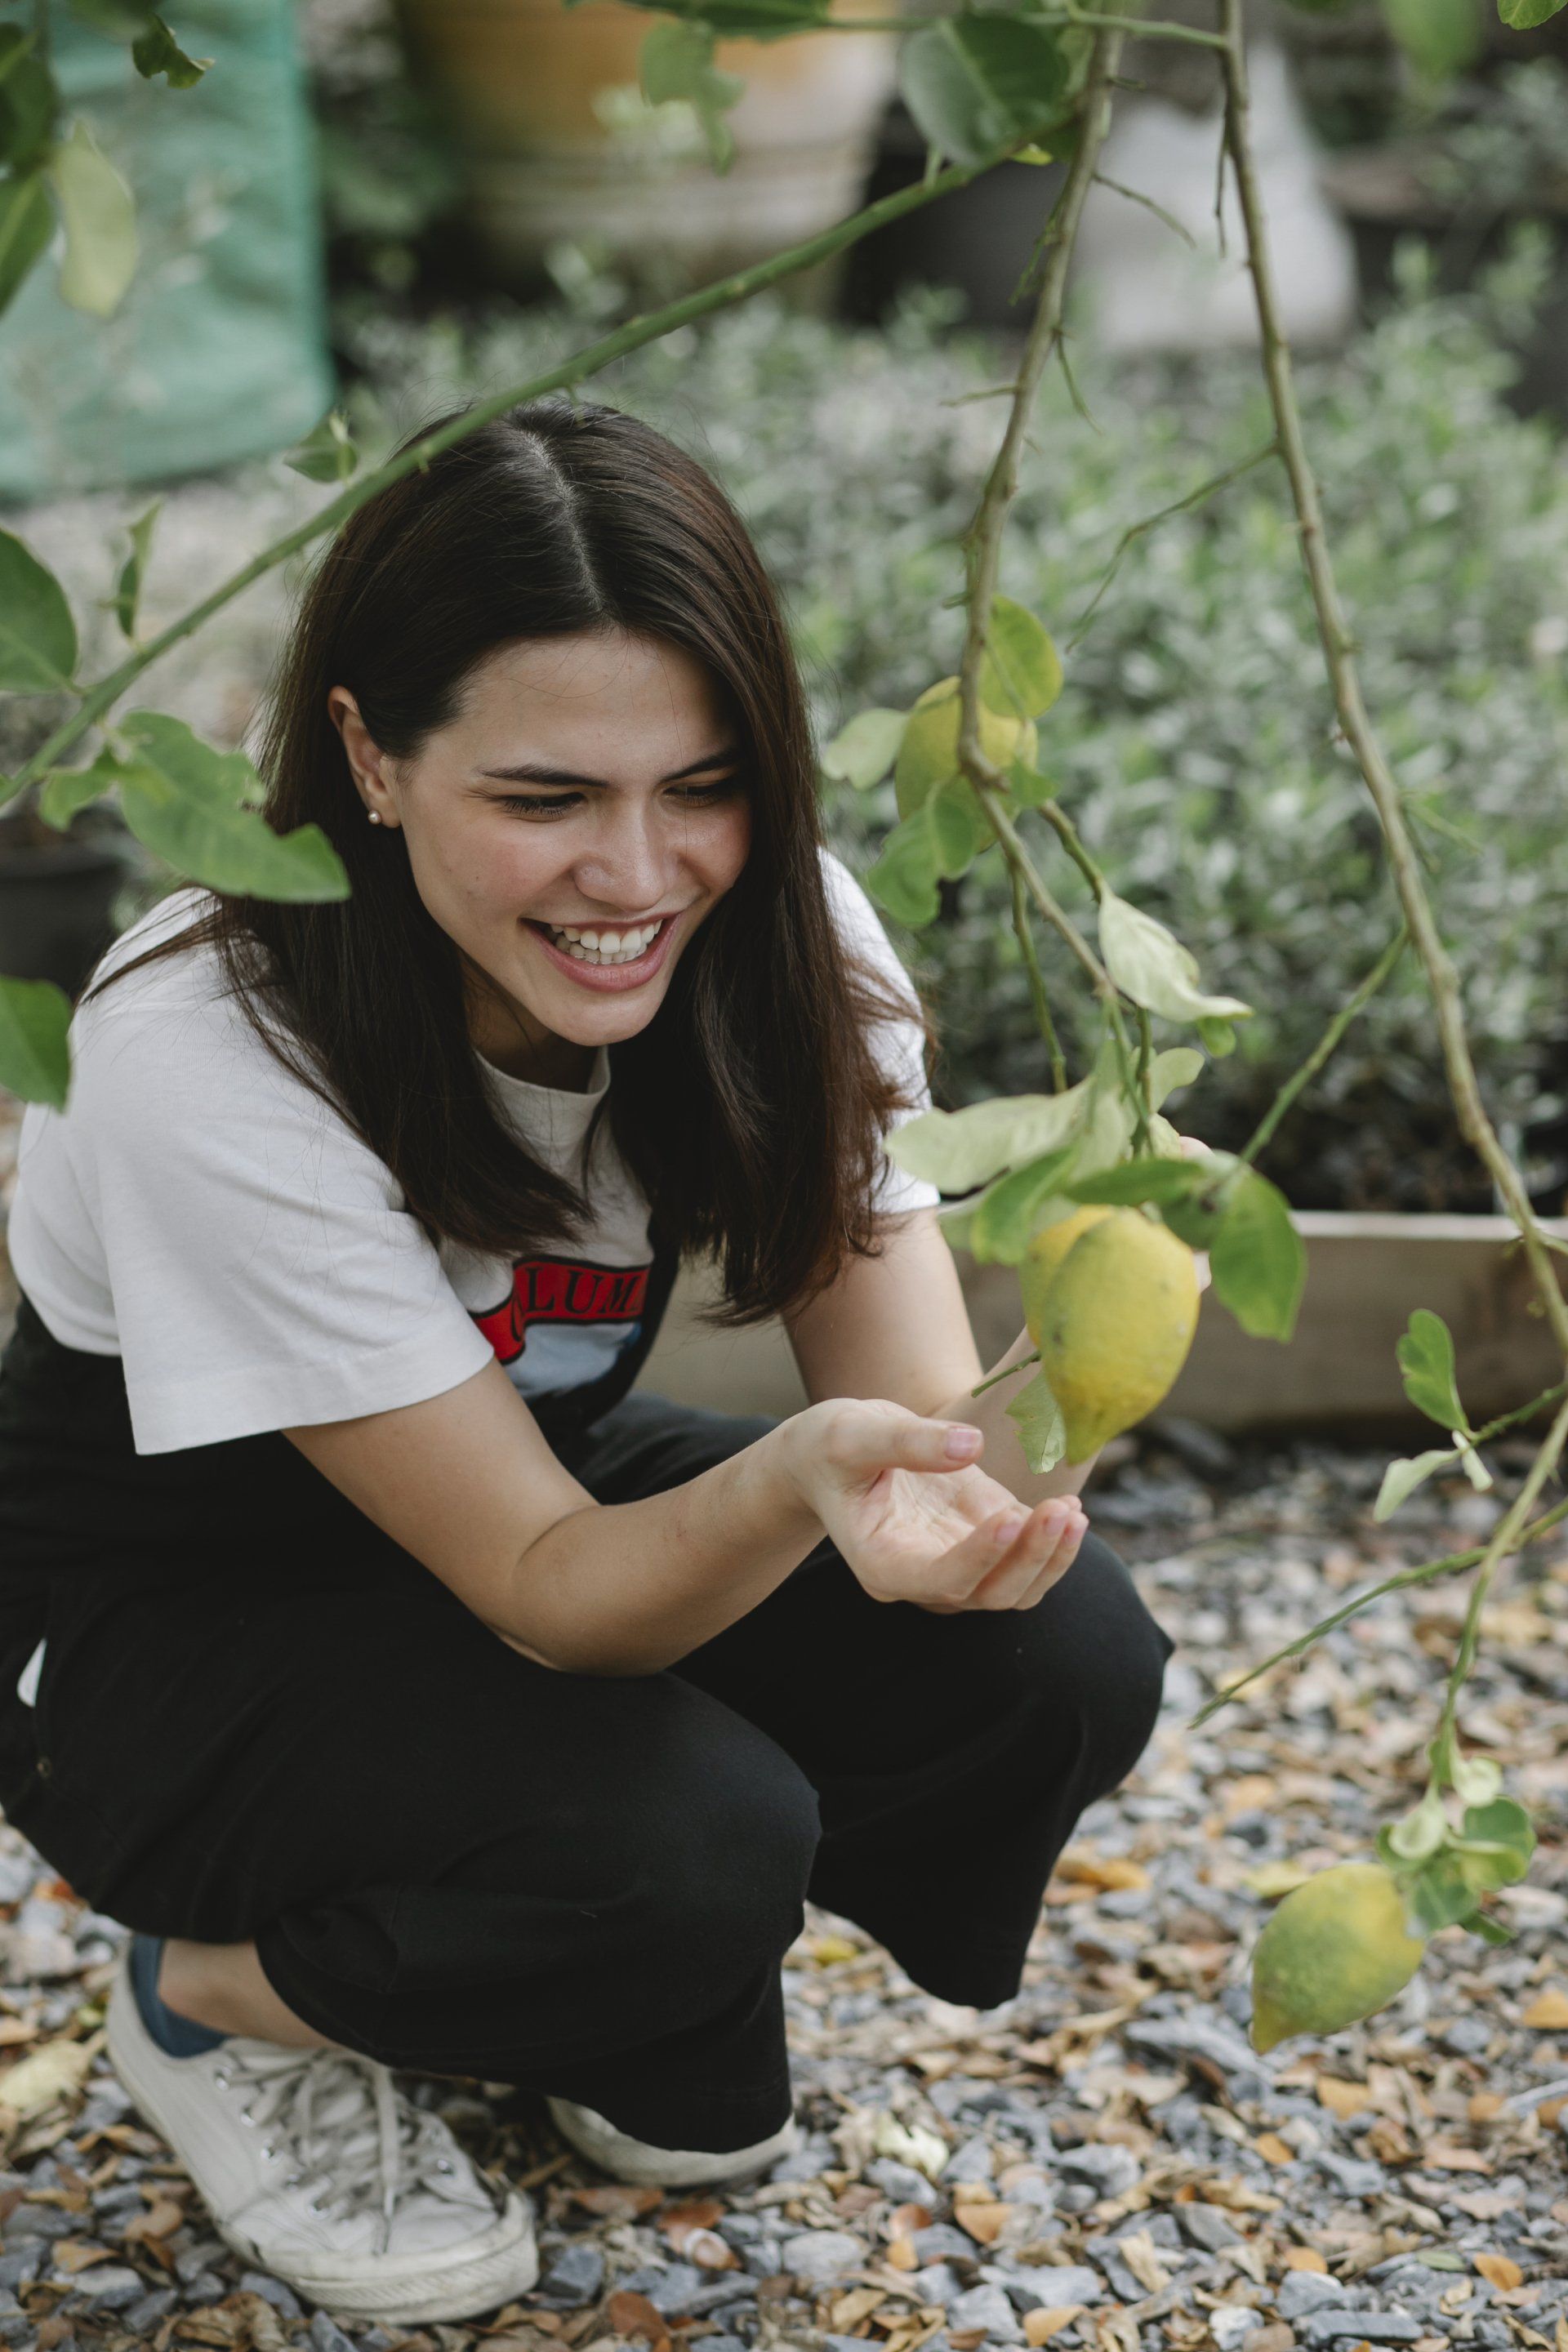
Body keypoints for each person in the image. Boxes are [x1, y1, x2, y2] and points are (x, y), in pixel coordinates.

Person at [0, 399, 1174, 2328]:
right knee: (689, 1846)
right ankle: (219, 1994)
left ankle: (588, 1942)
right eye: (544, 799)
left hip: (514, 1500)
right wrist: (794, 1487)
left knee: (1058, 1658)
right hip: (157, 1604)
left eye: (700, 784)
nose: (635, 875)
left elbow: (916, 1432)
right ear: (370, 753)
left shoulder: (775, 931)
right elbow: (556, 1598)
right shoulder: (213, 1035)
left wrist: (961, 1480)